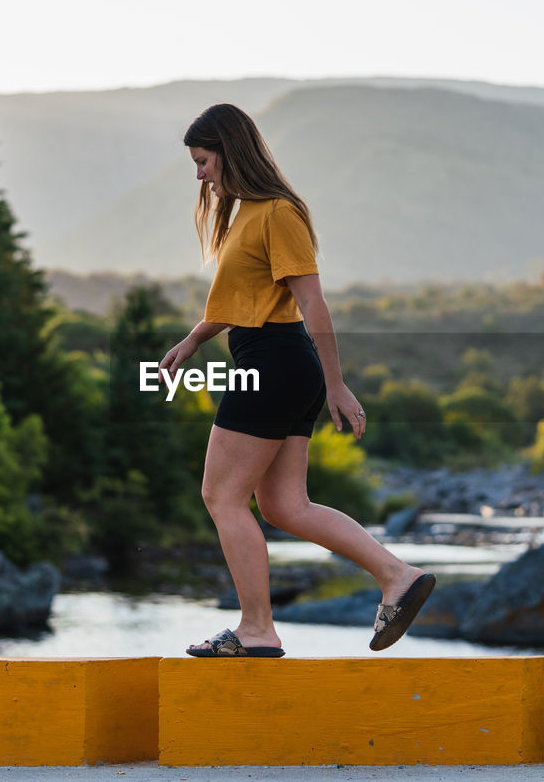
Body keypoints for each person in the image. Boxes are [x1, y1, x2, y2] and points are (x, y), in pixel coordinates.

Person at [160, 103, 435, 658]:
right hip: (277, 362)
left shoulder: (278, 213)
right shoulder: (249, 214)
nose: (199, 175)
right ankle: (396, 576)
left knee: (221, 495)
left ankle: (256, 628)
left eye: (204, 161)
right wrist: (193, 340)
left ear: (229, 151)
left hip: (275, 363)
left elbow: (312, 302)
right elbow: (243, 299)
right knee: (285, 507)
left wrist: (336, 386)